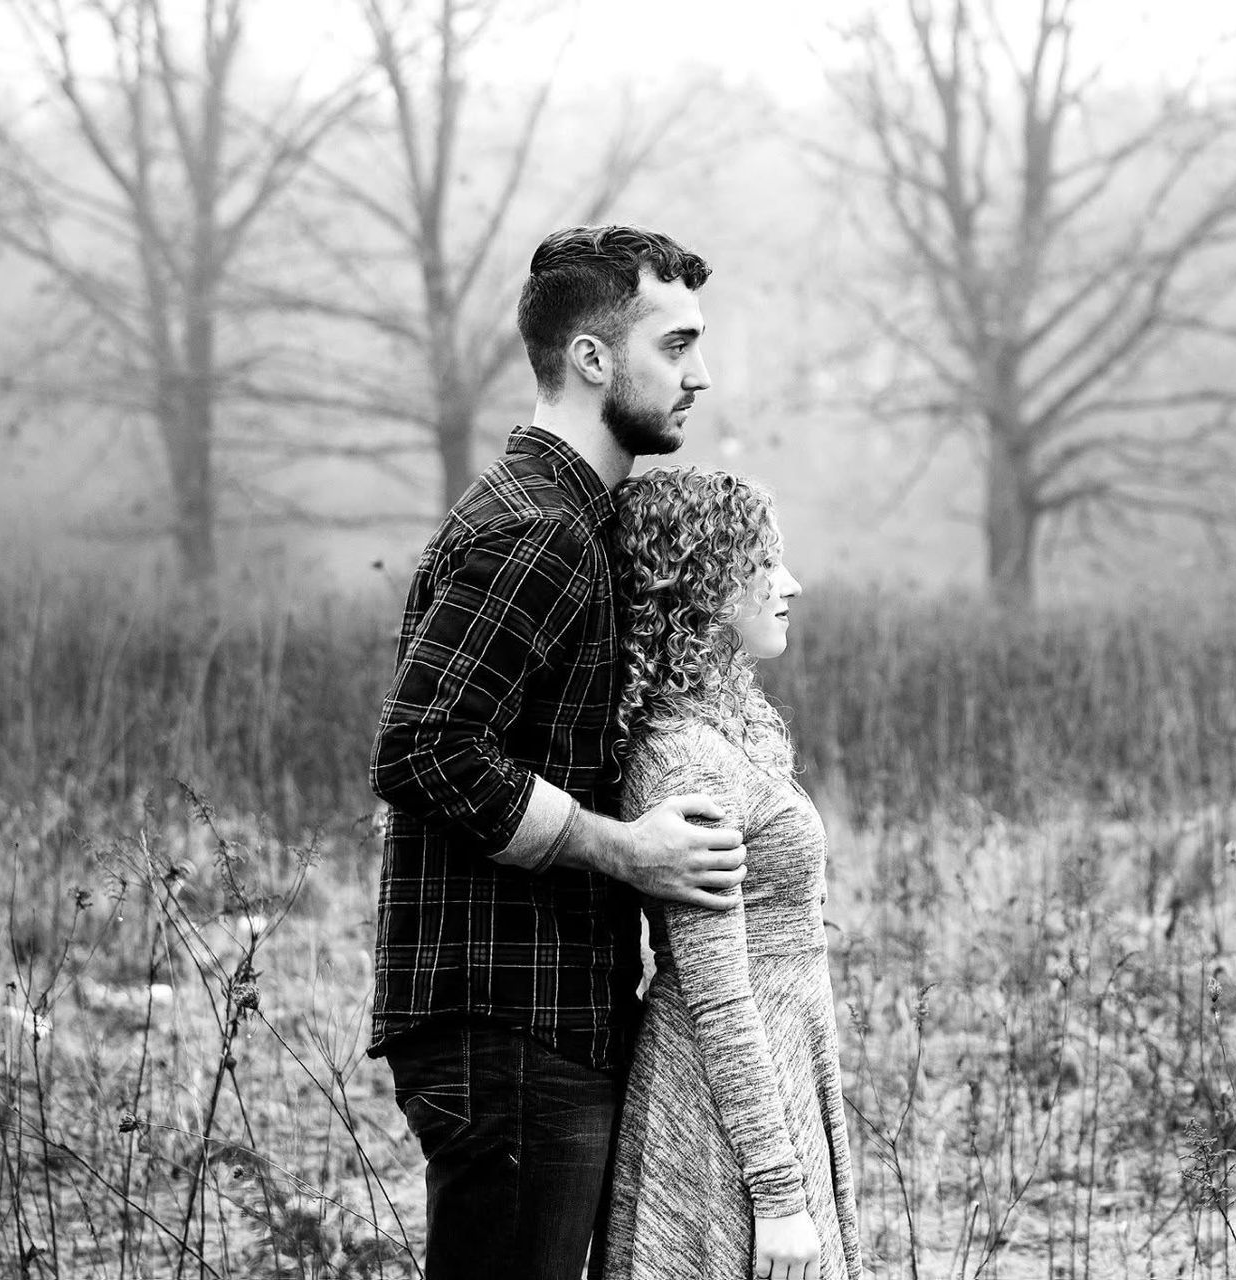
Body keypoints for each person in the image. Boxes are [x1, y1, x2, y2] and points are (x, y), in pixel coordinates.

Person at [368, 225, 749, 1280]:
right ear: (591, 359)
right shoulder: (540, 529)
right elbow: (424, 745)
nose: (700, 375)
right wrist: (625, 849)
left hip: (531, 1021)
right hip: (508, 1024)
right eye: (674, 346)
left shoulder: (561, 516)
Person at [601, 468, 863, 1280]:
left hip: (774, 1088)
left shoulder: (726, 730)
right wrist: (779, 1196)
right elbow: (717, 991)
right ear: (705, 584)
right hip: (722, 1122)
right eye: (764, 564)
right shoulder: (686, 759)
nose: (791, 584)